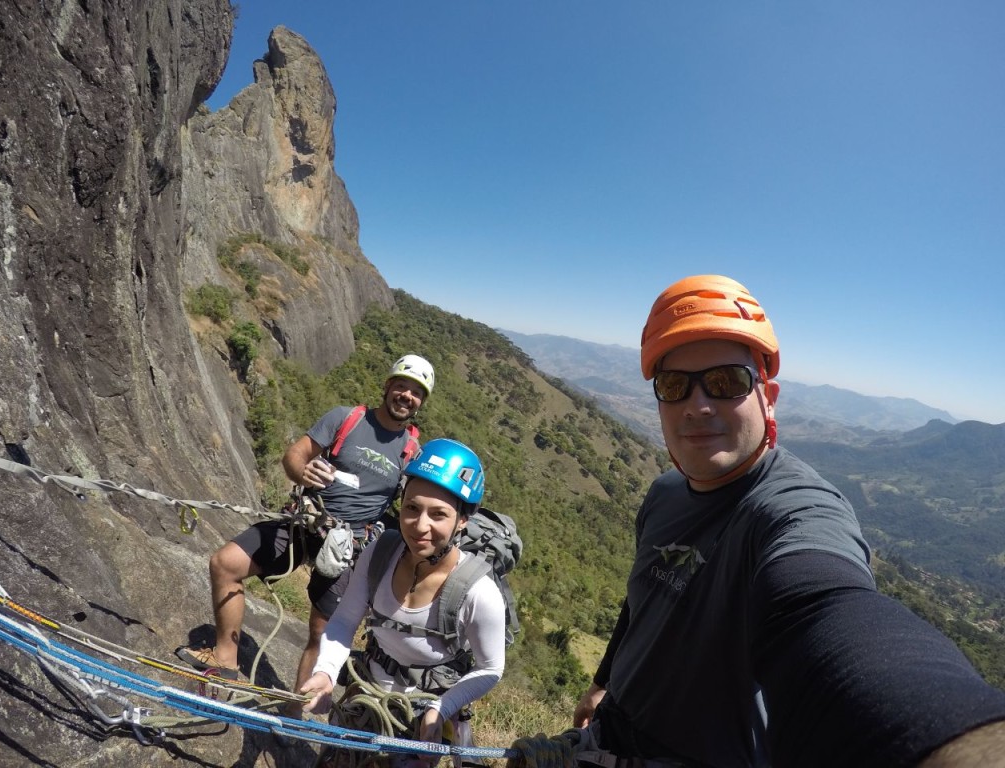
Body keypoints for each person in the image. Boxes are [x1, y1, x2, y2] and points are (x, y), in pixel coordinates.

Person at [565, 275, 1005, 767]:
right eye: (674, 386)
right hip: (607, 737)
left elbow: (826, 611)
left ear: (767, 395)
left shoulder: (795, 508)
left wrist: (957, 742)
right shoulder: (664, 493)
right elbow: (642, 600)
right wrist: (602, 682)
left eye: (726, 381)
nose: (699, 404)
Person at [176, 354, 434, 696]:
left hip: (348, 544)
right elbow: (294, 456)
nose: (407, 396)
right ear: (387, 387)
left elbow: (415, 506)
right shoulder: (347, 419)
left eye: (416, 392)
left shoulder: (413, 452)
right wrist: (303, 471)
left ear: (420, 403)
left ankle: (299, 709)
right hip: (305, 523)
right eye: (401, 386)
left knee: (322, 632)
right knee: (225, 564)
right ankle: (225, 658)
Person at [300, 437, 506, 752]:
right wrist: (326, 671)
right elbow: (344, 620)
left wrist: (442, 708)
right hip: (363, 697)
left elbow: (491, 668)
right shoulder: (380, 553)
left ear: (462, 520)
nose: (419, 525)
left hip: (423, 717)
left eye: (438, 514)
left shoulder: (479, 594)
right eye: (411, 508)